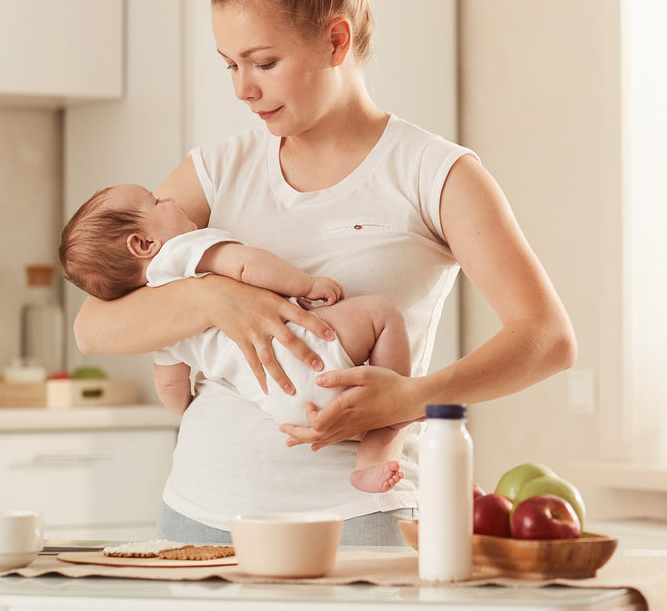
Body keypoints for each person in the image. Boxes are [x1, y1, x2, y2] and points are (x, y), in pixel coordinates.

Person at [72, 0, 576, 546]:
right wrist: (214, 295)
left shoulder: (435, 172)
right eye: (230, 64)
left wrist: (409, 397)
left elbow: (547, 338)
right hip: (195, 516)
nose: (243, 90)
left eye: (262, 61)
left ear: (336, 41)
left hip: (363, 521)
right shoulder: (215, 171)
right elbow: (95, 325)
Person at [58, 182, 410, 494]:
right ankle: (384, 435)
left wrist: (188, 407)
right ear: (144, 243)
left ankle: (369, 452)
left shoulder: (157, 321)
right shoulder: (183, 252)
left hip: (283, 405)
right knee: (383, 315)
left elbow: (170, 386)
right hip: (311, 348)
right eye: (155, 201)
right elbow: (246, 264)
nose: (169, 198)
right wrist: (308, 285)